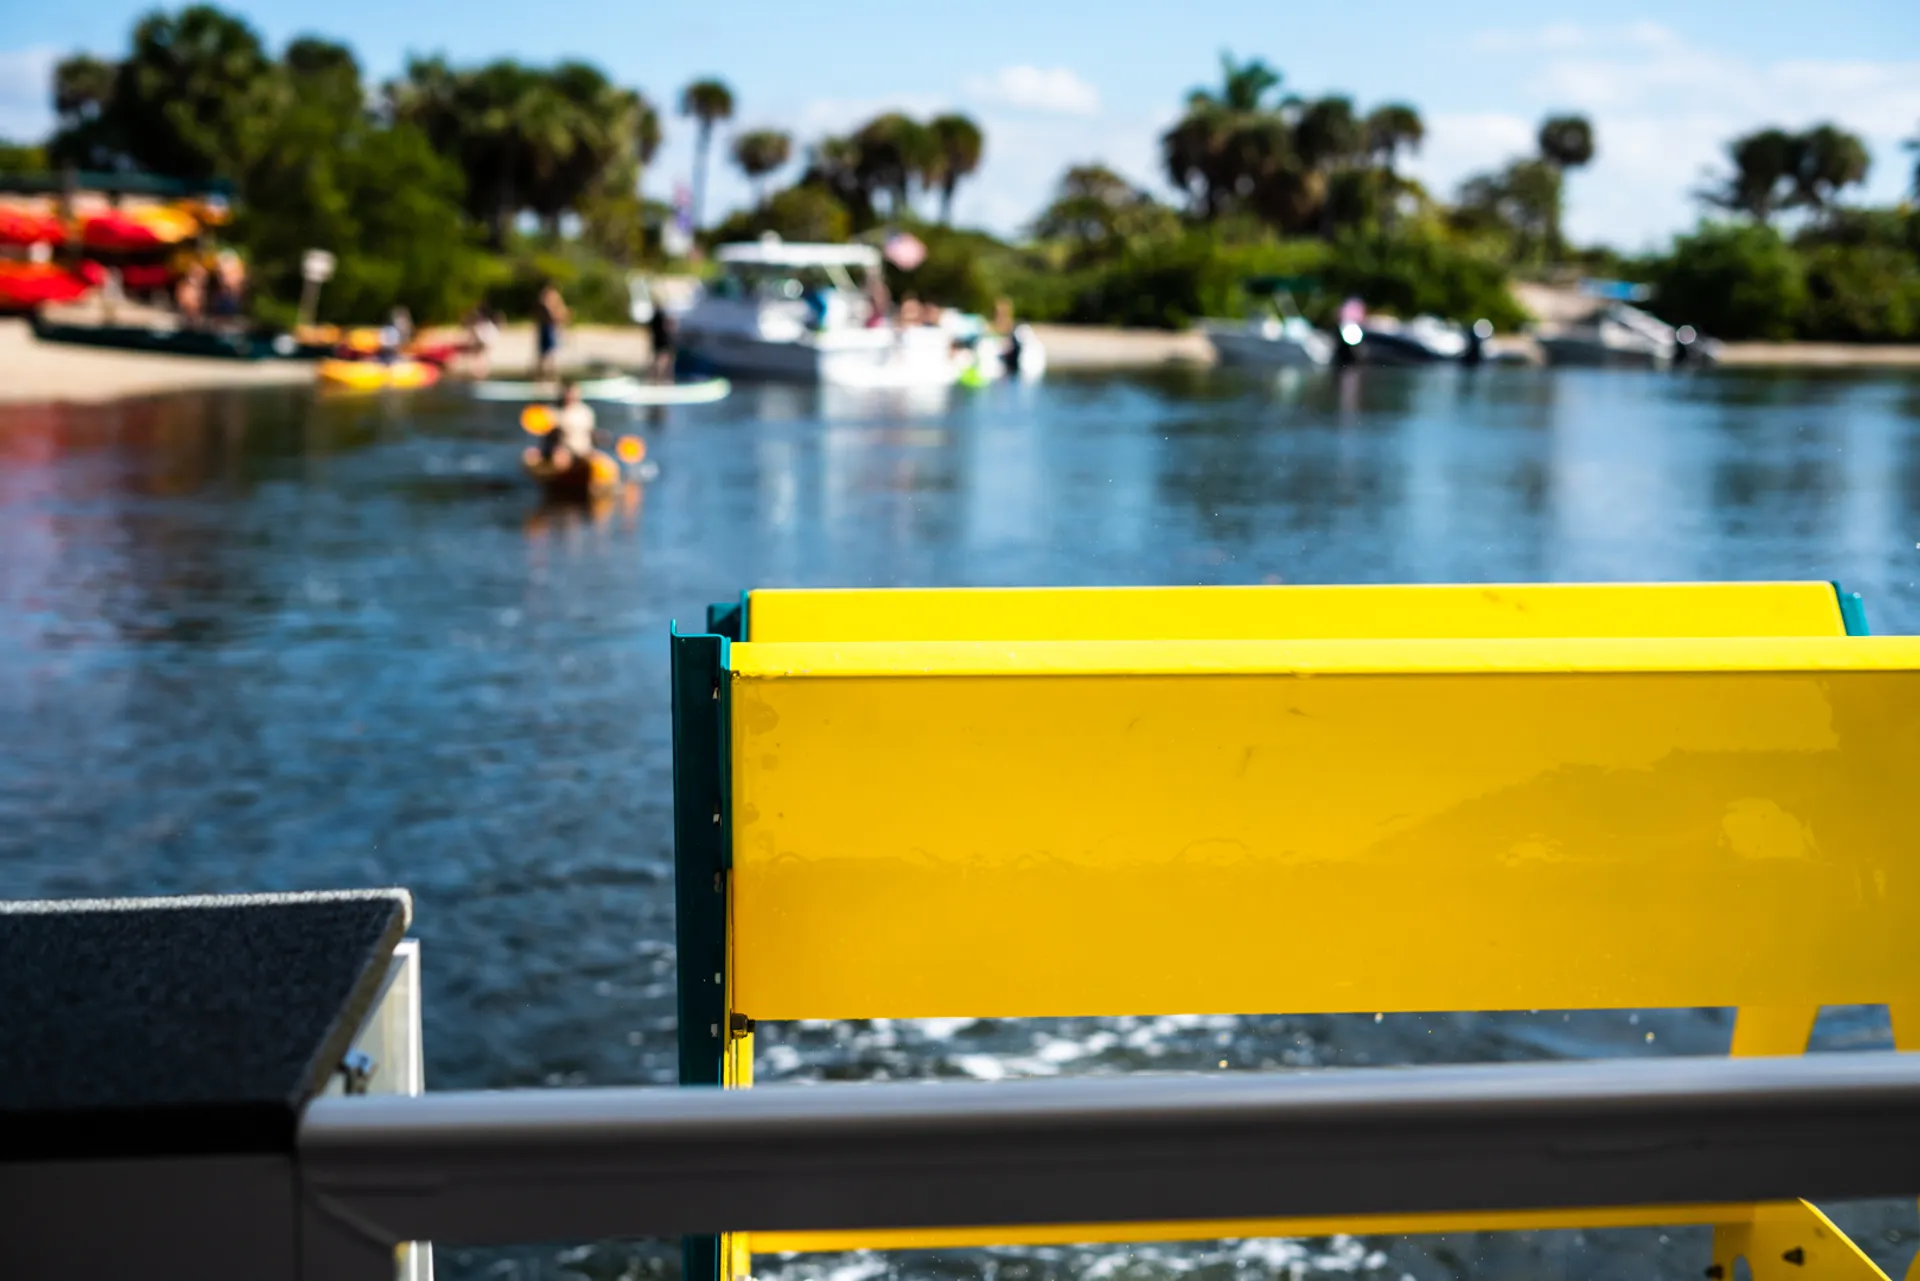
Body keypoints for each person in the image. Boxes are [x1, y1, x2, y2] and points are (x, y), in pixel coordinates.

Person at [535, 283, 569, 382]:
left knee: (549, 355)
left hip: (551, 328)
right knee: (546, 355)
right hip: (547, 327)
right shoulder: (548, 297)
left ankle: (549, 378)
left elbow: (560, 314)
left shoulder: (552, 297)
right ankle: (544, 378)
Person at [648, 300, 676, 382]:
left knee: (656, 360)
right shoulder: (661, 316)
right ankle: (662, 379)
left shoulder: (654, 317)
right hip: (663, 340)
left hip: (656, 340)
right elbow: (667, 327)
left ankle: (654, 379)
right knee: (665, 360)